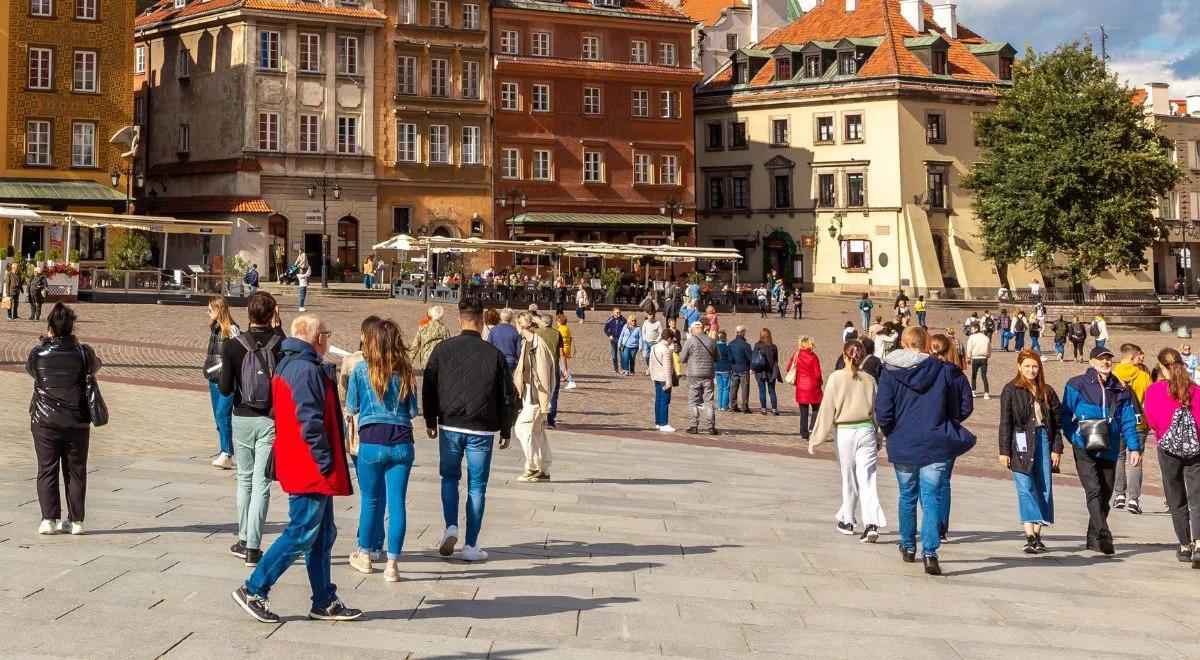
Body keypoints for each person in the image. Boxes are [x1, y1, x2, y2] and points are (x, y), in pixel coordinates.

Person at [233, 314, 361, 624]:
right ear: (318, 338)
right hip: (309, 466)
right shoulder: (303, 369)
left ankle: (324, 600)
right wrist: (324, 460)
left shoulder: (291, 364)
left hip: (305, 463)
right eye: (326, 334)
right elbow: (309, 422)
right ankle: (254, 589)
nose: (327, 340)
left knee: (322, 533)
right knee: (302, 530)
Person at [875, 326, 975, 576]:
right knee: (931, 498)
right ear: (925, 343)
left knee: (907, 496)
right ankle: (930, 552)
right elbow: (957, 407)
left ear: (904, 342)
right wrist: (944, 422)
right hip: (935, 441)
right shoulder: (941, 369)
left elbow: (884, 410)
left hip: (904, 441)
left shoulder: (889, 371)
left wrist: (892, 432)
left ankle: (908, 546)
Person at [423, 298, 517, 561]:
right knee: (477, 486)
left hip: (450, 425)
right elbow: (507, 394)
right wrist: (506, 429)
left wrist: (431, 420)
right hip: (482, 429)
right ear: (482, 320)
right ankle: (471, 545)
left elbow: (429, 386)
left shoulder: (443, 349)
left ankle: (450, 525)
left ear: (459, 318)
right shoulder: (494, 354)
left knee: (449, 478)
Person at [344, 319, 417, 582]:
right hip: (401, 440)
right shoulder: (405, 370)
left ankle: (364, 555)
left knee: (370, 501)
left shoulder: (361, 370)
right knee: (397, 503)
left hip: (372, 439)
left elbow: (351, 406)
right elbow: (413, 411)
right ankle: (392, 564)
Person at [219, 292, 286, 565]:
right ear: (272, 314)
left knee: (244, 480)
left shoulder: (234, 345)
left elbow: (225, 388)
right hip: (270, 418)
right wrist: (279, 326)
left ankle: (244, 538)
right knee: (262, 483)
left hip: (242, 417)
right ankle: (254, 547)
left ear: (248, 313)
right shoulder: (280, 344)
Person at [1060, 345, 1141, 555]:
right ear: (1092, 362)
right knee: (1093, 490)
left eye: (1108, 359)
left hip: (1110, 447)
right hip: (1084, 445)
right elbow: (1065, 415)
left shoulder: (1120, 388)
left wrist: (1134, 448)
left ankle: (1092, 538)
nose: (1106, 362)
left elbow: (1128, 421)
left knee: (1105, 494)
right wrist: (1073, 438)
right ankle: (1104, 533)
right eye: (1101, 359)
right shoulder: (1076, 384)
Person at [27, 303, 100, 536]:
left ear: (50, 327)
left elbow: (31, 371)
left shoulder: (38, 352)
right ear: (71, 326)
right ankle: (76, 521)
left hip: (44, 420)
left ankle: (49, 519)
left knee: (47, 469)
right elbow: (95, 367)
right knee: (76, 470)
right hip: (76, 420)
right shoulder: (83, 352)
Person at [809, 339, 884, 542]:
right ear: (861, 357)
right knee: (867, 478)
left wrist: (816, 438)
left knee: (848, 477)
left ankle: (849, 520)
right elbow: (878, 411)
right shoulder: (869, 380)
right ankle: (871, 524)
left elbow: (826, 410)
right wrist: (879, 435)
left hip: (845, 430)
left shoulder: (835, 378)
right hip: (866, 429)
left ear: (844, 355)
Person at [998, 349, 1062, 553]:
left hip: (1043, 438)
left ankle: (1037, 535)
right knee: (1024, 487)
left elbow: (1057, 423)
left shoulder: (1047, 390)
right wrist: (1004, 450)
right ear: (1019, 366)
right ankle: (1029, 535)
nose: (1031, 370)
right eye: (1027, 366)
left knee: (1044, 486)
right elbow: (1005, 422)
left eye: (1034, 366)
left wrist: (1056, 448)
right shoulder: (1011, 389)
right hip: (1020, 441)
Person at [1143, 347, 1200, 566]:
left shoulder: (1155, 391)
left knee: (1175, 497)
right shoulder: (1196, 391)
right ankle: (1199, 543)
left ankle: (1185, 546)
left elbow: (1153, 422)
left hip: (1167, 449)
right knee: (1197, 498)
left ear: (1162, 368)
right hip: (1196, 449)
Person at [929, 333, 970, 542]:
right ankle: (942, 528)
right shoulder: (958, 375)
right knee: (944, 480)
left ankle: (930, 523)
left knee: (926, 480)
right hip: (949, 430)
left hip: (927, 430)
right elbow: (967, 406)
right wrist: (954, 419)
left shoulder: (925, 372)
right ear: (948, 350)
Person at [513, 312, 555, 481]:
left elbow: (544, 374)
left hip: (536, 395)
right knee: (536, 431)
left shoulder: (538, 344)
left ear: (520, 325)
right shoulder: (527, 342)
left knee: (522, 427)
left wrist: (544, 402)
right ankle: (543, 467)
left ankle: (532, 467)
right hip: (528, 393)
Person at [1112, 343, 1150, 514]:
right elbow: (1149, 401)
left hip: (1119, 421)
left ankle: (1119, 494)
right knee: (1136, 459)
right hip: (1138, 422)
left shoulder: (1113, 374)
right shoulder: (1143, 376)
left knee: (1119, 457)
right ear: (1133, 357)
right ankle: (1134, 499)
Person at [205, 296, 240, 470]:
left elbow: (238, 354)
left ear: (220, 310)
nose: (208, 312)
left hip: (226, 380)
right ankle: (224, 451)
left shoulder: (232, 329)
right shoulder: (214, 329)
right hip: (213, 378)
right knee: (218, 419)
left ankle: (226, 453)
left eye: (210, 309)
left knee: (222, 415)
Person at [680, 320, 719, 435]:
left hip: (693, 374)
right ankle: (711, 427)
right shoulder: (712, 341)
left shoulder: (690, 341)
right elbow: (718, 358)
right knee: (708, 400)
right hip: (708, 374)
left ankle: (694, 425)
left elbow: (681, 358)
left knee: (693, 400)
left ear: (693, 329)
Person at [786, 336, 823, 440]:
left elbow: (789, 368)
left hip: (801, 387)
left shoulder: (796, 355)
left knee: (803, 411)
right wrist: (820, 382)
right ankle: (812, 427)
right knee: (816, 408)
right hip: (813, 386)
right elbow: (817, 374)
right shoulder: (813, 357)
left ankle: (804, 432)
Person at [536, 315, 566, 427]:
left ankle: (538, 419)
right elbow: (561, 353)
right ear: (551, 322)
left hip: (540, 367)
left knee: (538, 393)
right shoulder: (557, 333)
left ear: (542, 322)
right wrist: (565, 369)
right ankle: (551, 421)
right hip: (554, 368)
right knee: (554, 394)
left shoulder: (536, 333)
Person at [648, 329, 677, 432]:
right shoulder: (666, 350)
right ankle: (664, 423)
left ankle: (658, 422)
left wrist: (652, 376)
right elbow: (667, 368)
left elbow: (650, 363)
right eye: (672, 339)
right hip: (664, 379)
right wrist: (669, 383)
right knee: (665, 401)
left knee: (658, 400)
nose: (672, 341)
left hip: (656, 377)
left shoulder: (654, 347)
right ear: (669, 339)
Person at [752, 328, 781, 415]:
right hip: (771, 371)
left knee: (762, 390)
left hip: (760, 371)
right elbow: (776, 360)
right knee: (772, 390)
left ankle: (764, 409)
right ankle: (774, 409)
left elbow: (754, 359)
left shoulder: (758, 345)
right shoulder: (773, 346)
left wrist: (752, 368)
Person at [728, 326, 753, 414]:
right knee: (745, 388)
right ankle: (745, 407)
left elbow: (730, 358)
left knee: (734, 388)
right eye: (744, 331)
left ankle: (733, 405)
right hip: (744, 369)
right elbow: (751, 358)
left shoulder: (731, 343)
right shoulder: (746, 345)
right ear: (742, 332)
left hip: (734, 369)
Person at [966, 322, 992, 400]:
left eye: (972, 328)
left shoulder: (972, 337)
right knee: (984, 376)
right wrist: (988, 355)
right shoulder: (986, 337)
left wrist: (968, 357)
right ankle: (986, 393)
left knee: (974, 375)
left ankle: (973, 391)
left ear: (976, 328)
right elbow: (989, 349)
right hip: (984, 358)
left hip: (976, 358)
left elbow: (969, 348)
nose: (971, 330)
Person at [555, 313, 577, 390]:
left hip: (562, 349)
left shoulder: (559, 330)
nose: (556, 322)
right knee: (559, 364)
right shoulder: (567, 328)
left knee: (562, 366)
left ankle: (571, 381)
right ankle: (564, 376)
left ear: (560, 321)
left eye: (557, 321)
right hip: (567, 348)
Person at [715, 330, 732, 412]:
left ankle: (719, 405)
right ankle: (724, 406)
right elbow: (731, 358)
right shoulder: (727, 346)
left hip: (717, 369)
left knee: (719, 388)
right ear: (725, 337)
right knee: (726, 388)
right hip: (725, 368)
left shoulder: (715, 346)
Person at [604, 308, 624, 374]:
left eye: (619, 312)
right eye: (617, 312)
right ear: (613, 313)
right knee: (614, 355)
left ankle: (623, 369)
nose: (619, 314)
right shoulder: (610, 320)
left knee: (622, 355)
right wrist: (609, 335)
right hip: (613, 340)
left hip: (621, 340)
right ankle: (616, 369)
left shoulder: (623, 320)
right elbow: (605, 328)